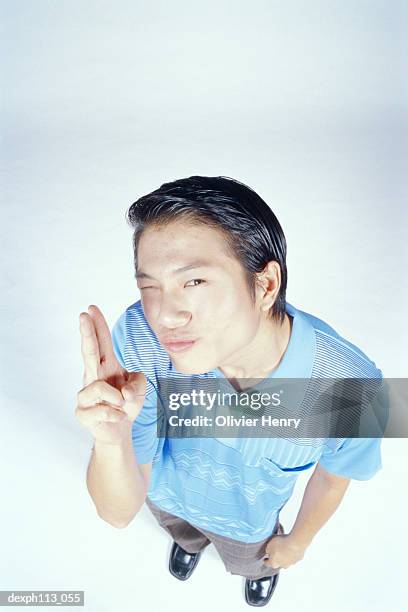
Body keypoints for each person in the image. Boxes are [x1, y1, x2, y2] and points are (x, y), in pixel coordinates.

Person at [76, 176, 385, 607]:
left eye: (195, 282)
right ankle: (188, 543)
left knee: (251, 559)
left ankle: (254, 571)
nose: (165, 315)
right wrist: (111, 439)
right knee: (179, 530)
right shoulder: (138, 337)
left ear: (265, 285)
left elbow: (335, 477)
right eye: (150, 287)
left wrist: (297, 542)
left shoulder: (353, 386)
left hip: (248, 523)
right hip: (166, 496)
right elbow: (117, 512)